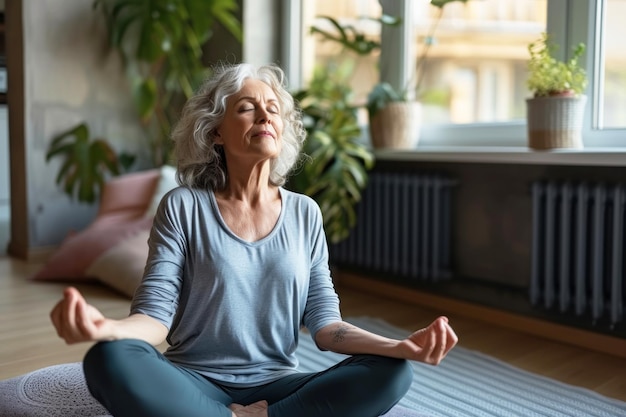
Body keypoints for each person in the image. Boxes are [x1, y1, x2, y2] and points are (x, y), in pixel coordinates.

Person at [50, 62, 458, 417]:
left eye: (273, 109)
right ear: (215, 134)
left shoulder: (304, 213)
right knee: (109, 358)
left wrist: (400, 345)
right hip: (193, 379)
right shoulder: (183, 206)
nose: (264, 114)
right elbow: (155, 320)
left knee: (392, 370)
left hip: (278, 385)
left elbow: (326, 327)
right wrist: (106, 328)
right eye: (246, 108)